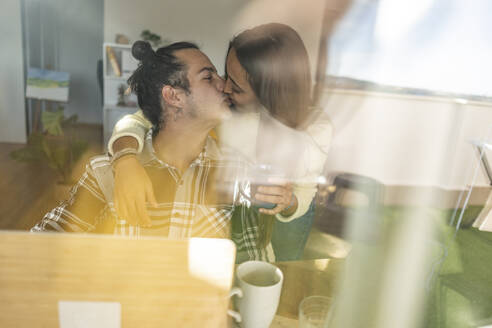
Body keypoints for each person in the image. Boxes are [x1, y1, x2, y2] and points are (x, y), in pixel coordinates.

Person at [108, 23, 332, 261]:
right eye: (226, 74)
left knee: (282, 271)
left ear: (269, 92)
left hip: (288, 210)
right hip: (238, 199)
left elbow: (305, 190)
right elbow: (140, 120)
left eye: (236, 86)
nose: (224, 87)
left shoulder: (314, 129)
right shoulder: (225, 107)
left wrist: (289, 203)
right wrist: (125, 161)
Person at [31, 41, 272, 261]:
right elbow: (39, 249)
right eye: (209, 77)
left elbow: (252, 264)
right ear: (173, 96)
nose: (225, 86)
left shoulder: (238, 172)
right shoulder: (106, 173)